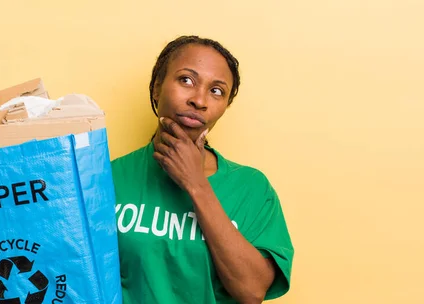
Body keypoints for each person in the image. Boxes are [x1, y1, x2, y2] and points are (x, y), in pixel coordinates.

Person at [111, 35, 294, 304]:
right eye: (186, 80)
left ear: (225, 106)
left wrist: (195, 184)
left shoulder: (252, 187)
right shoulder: (108, 177)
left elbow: (252, 291)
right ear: (157, 87)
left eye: (216, 91)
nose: (199, 100)